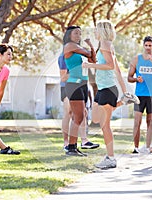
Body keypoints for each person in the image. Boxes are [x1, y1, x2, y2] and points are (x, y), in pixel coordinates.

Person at [83, 20, 139, 169]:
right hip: (103, 89)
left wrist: (90, 65)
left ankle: (111, 158)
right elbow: (118, 71)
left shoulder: (106, 45)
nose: (94, 32)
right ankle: (123, 101)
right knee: (95, 117)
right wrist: (125, 90)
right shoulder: (104, 46)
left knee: (105, 125)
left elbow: (110, 66)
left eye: (96, 29)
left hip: (108, 89)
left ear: (101, 30)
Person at [127, 36, 152, 154]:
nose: (148, 47)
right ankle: (136, 147)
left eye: (150, 45)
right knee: (137, 121)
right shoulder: (136, 59)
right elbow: (129, 78)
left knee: (150, 121)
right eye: (146, 45)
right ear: (143, 46)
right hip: (139, 94)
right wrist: (136, 79)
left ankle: (148, 147)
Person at [63, 25, 96, 156]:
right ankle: (71, 147)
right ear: (69, 35)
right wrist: (89, 48)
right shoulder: (69, 46)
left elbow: (93, 59)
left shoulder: (80, 49)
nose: (78, 36)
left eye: (80, 34)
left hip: (83, 84)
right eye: (76, 33)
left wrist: (91, 46)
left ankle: (73, 146)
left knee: (81, 115)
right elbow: (90, 55)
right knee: (78, 117)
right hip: (74, 84)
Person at [58, 53, 99, 152]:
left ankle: (84, 141)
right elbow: (63, 77)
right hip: (67, 86)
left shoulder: (80, 56)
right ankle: (66, 143)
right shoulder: (63, 56)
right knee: (68, 113)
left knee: (83, 112)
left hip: (80, 86)